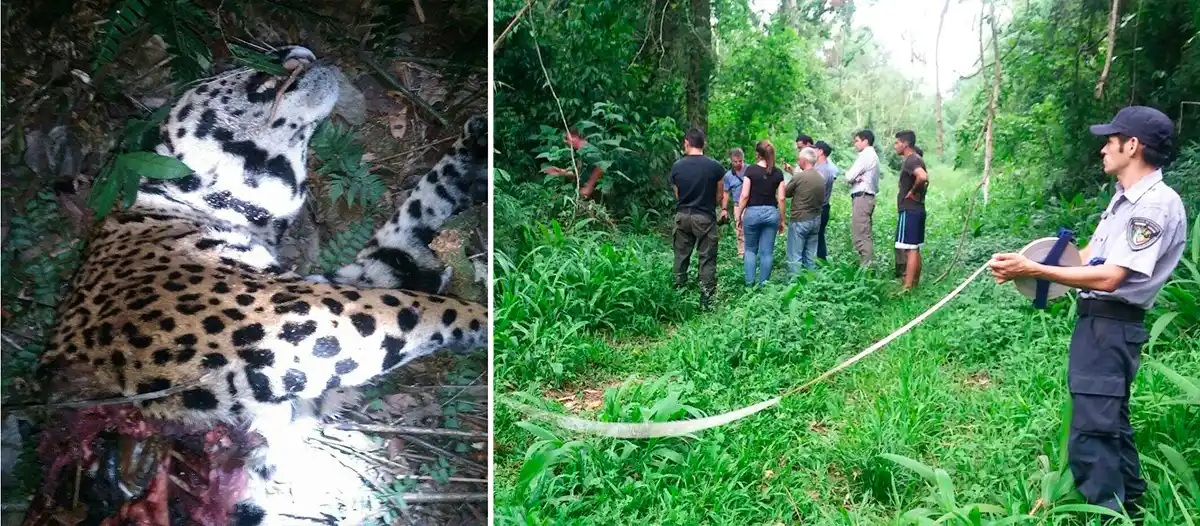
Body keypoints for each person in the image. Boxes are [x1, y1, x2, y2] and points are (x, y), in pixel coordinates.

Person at [988, 106, 1186, 517]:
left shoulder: (1154, 206)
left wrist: (1033, 268)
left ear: (1132, 146)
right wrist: (1025, 266)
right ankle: (1130, 508)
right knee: (1109, 424)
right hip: (1098, 325)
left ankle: (1106, 515)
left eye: (1110, 139)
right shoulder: (1123, 202)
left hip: (1112, 326)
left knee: (1091, 434)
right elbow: (1087, 260)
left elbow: (1112, 277)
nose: (1102, 148)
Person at [669, 128, 727, 307]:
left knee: (680, 256)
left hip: (682, 215)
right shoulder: (715, 167)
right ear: (704, 144)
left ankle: (679, 295)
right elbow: (720, 195)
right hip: (704, 217)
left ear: (687, 142)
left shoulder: (677, 166)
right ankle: (706, 300)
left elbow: (677, 194)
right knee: (707, 258)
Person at [737, 140, 786, 286]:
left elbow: (744, 195)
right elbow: (782, 198)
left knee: (750, 250)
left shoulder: (750, 170)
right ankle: (764, 285)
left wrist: (739, 215)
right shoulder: (778, 173)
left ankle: (749, 284)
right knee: (767, 252)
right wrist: (782, 220)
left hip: (752, 213)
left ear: (757, 154)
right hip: (771, 213)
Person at [893, 130, 929, 290]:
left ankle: (907, 286)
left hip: (910, 210)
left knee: (910, 249)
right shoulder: (918, 159)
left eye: (897, 142)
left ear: (905, 144)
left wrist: (912, 192)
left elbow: (923, 177)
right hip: (918, 209)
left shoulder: (911, 160)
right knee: (915, 247)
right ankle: (914, 283)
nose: (895, 146)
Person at [784, 147, 825, 274]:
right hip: (816, 220)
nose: (797, 161)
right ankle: (811, 285)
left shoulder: (800, 176)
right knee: (810, 256)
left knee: (795, 256)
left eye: (799, 159)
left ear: (804, 160)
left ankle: (795, 286)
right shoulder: (821, 177)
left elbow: (786, 193)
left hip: (800, 219)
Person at [843, 129, 880, 267]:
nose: (855, 144)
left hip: (862, 197)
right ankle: (867, 267)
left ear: (865, 141)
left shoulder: (866, 155)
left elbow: (848, 177)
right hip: (866, 197)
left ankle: (866, 270)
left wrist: (853, 178)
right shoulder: (872, 155)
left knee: (861, 236)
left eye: (857, 141)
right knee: (864, 233)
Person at [541, 129, 605, 199]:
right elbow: (579, 174)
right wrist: (560, 172)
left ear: (575, 137)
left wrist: (589, 187)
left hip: (599, 193)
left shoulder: (589, 151)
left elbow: (600, 168)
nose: (565, 142)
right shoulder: (579, 153)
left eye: (567, 138)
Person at [813, 141, 839, 260]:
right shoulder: (818, 167)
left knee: (818, 237)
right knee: (818, 236)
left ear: (820, 151)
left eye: (815, 149)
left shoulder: (823, 170)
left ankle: (821, 261)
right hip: (821, 207)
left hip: (819, 208)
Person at [723, 148, 748, 257]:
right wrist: (724, 208)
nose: (738, 164)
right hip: (737, 205)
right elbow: (726, 192)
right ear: (731, 161)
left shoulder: (750, 170)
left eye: (740, 161)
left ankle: (752, 252)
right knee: (739, 229)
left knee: (751, 229)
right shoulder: (728, 175)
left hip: (751, 204)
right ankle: (741, 253)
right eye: (735, 161)